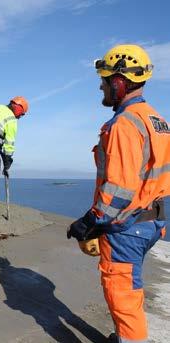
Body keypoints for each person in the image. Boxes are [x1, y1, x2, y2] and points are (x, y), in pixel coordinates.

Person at [67, 44, 170, 343]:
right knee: (132, 286)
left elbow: (119, 190)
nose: (101, 85)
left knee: (122, 296)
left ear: (119, 82)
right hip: (152, 222)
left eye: (104, 79)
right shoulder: (157, 120)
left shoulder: (125, 124)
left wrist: (89, 222)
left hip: (126, 227)